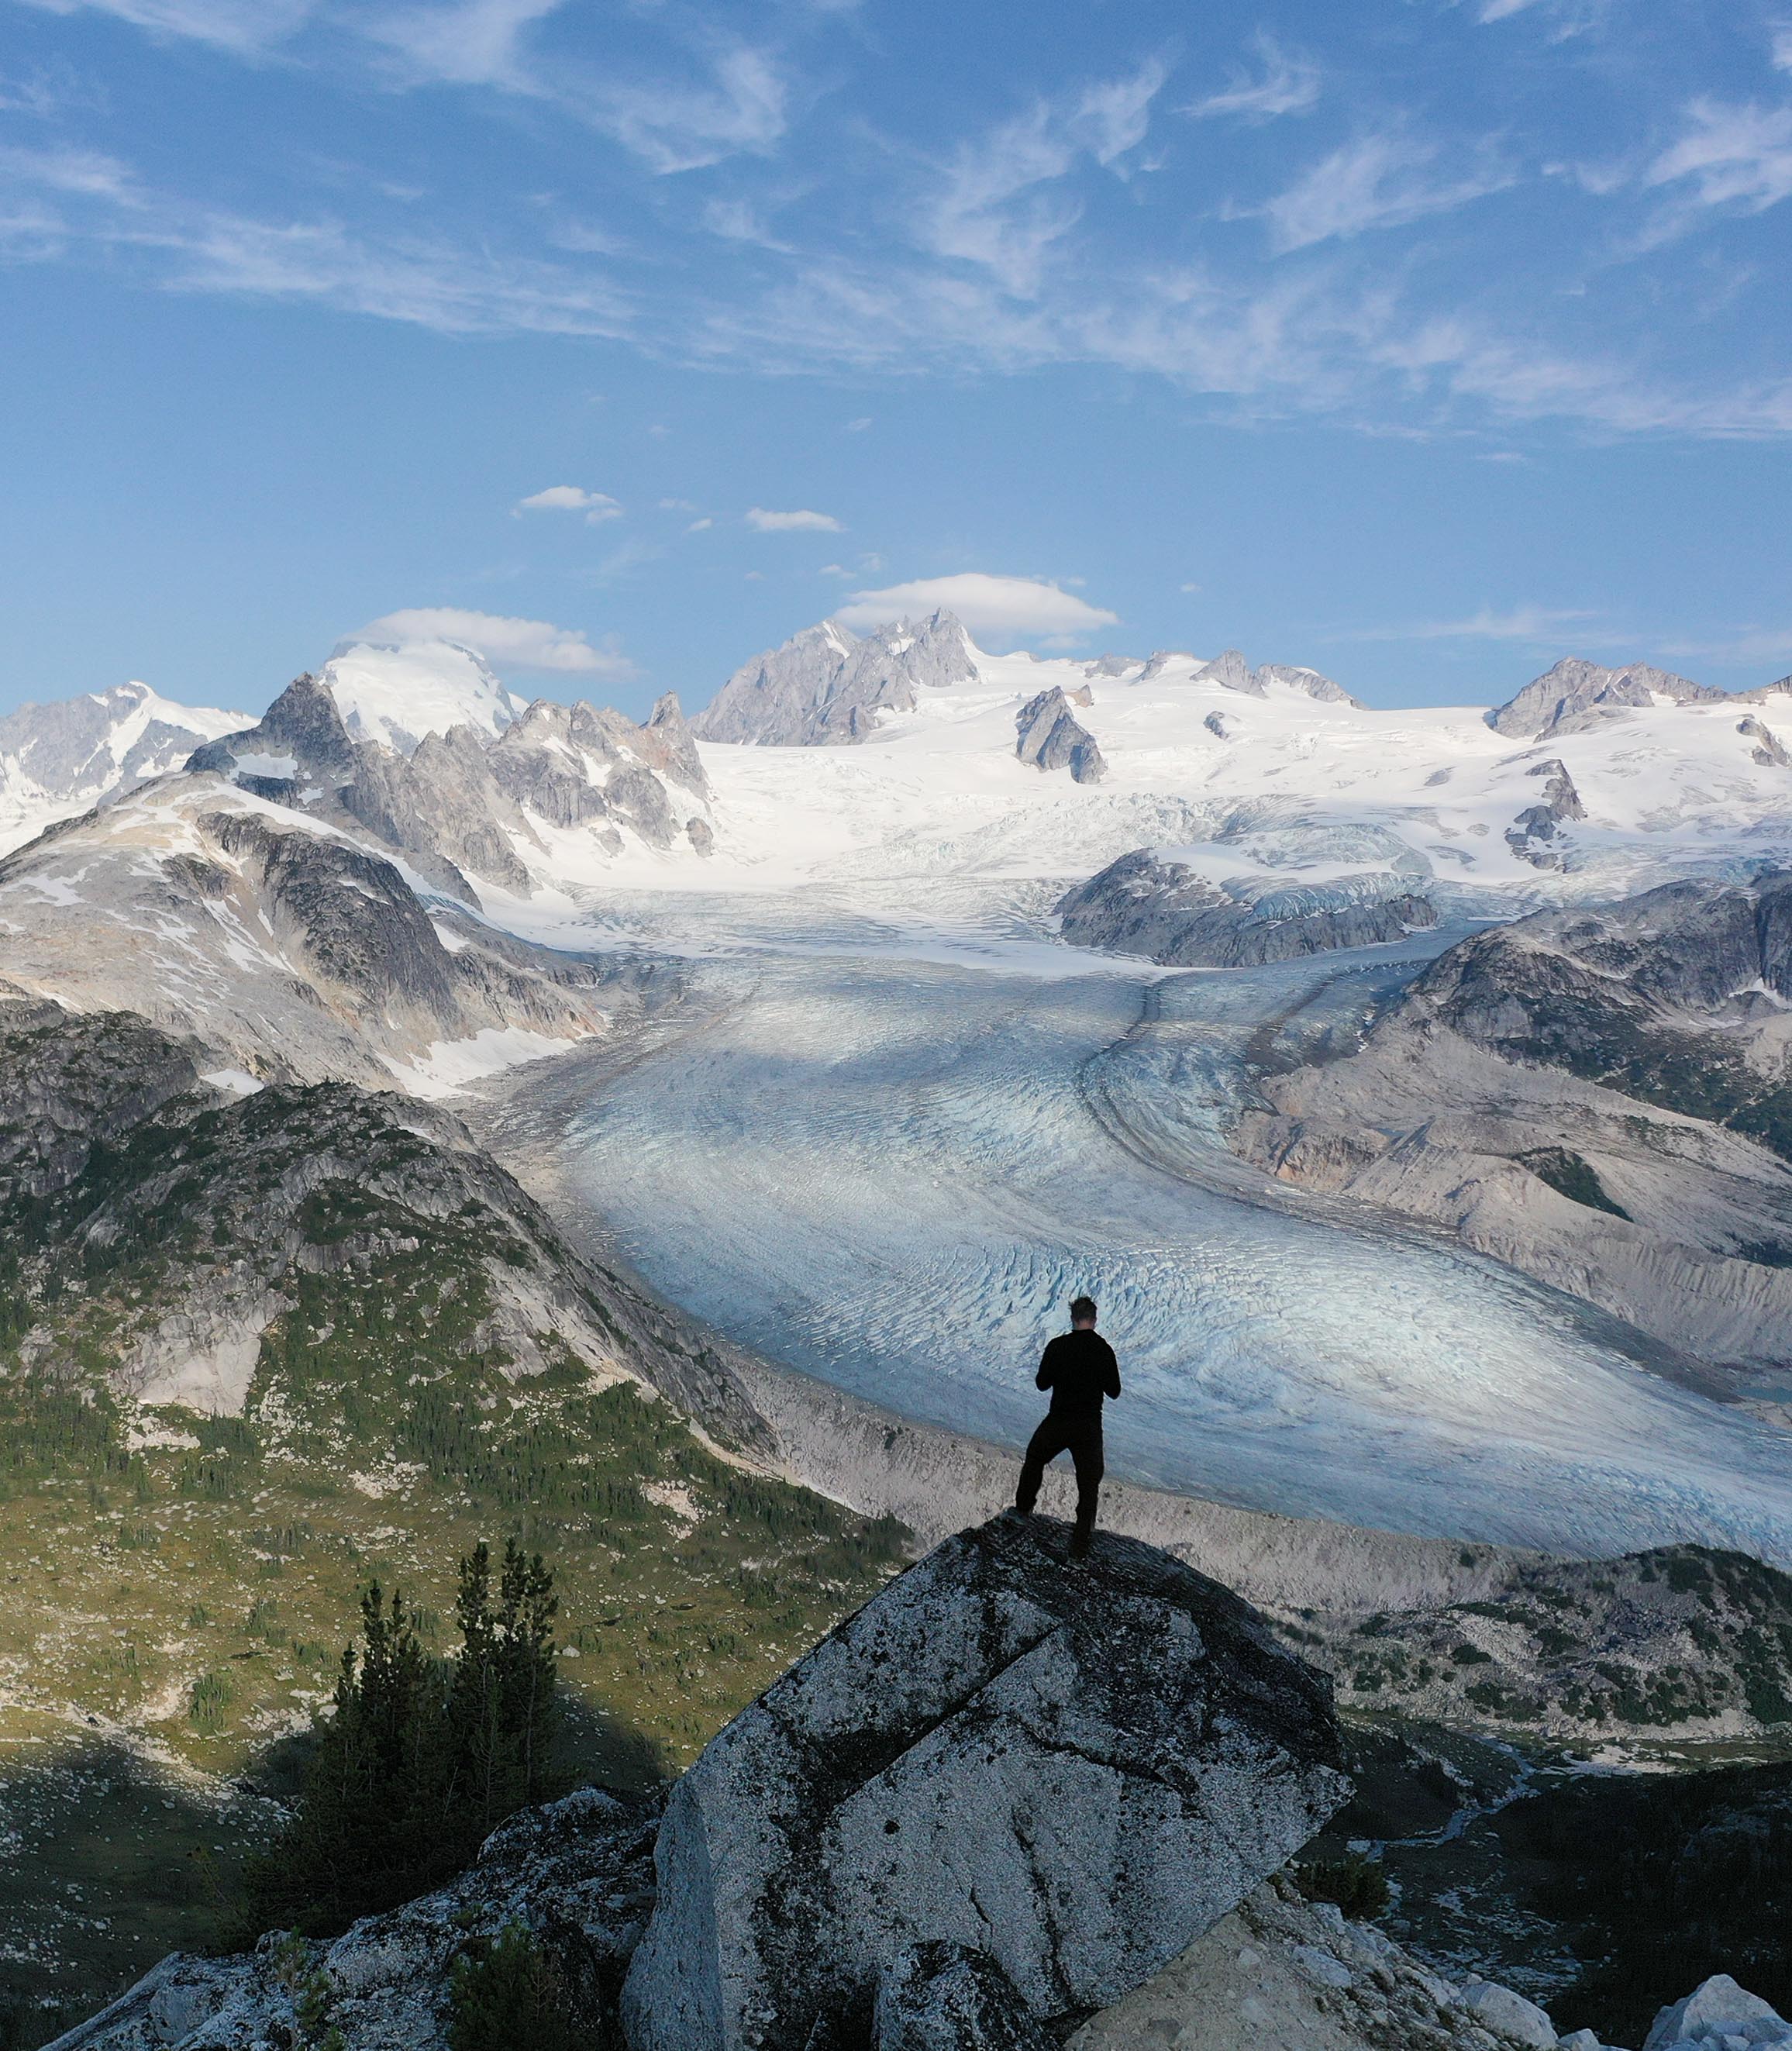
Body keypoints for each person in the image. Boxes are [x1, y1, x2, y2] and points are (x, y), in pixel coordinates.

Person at [1012, 1295, 1120, 1558]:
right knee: (1089, 1483)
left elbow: (1042, 1383)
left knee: (1035, 1458)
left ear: (1072, 1319)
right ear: (1094, 1320)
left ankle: (1023, 1511)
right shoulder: (1104, 1350)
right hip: (1089, 1425)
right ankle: (1080, 1547)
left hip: (1059, 1419)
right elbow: (1114, 1391)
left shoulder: (1058, 1346)